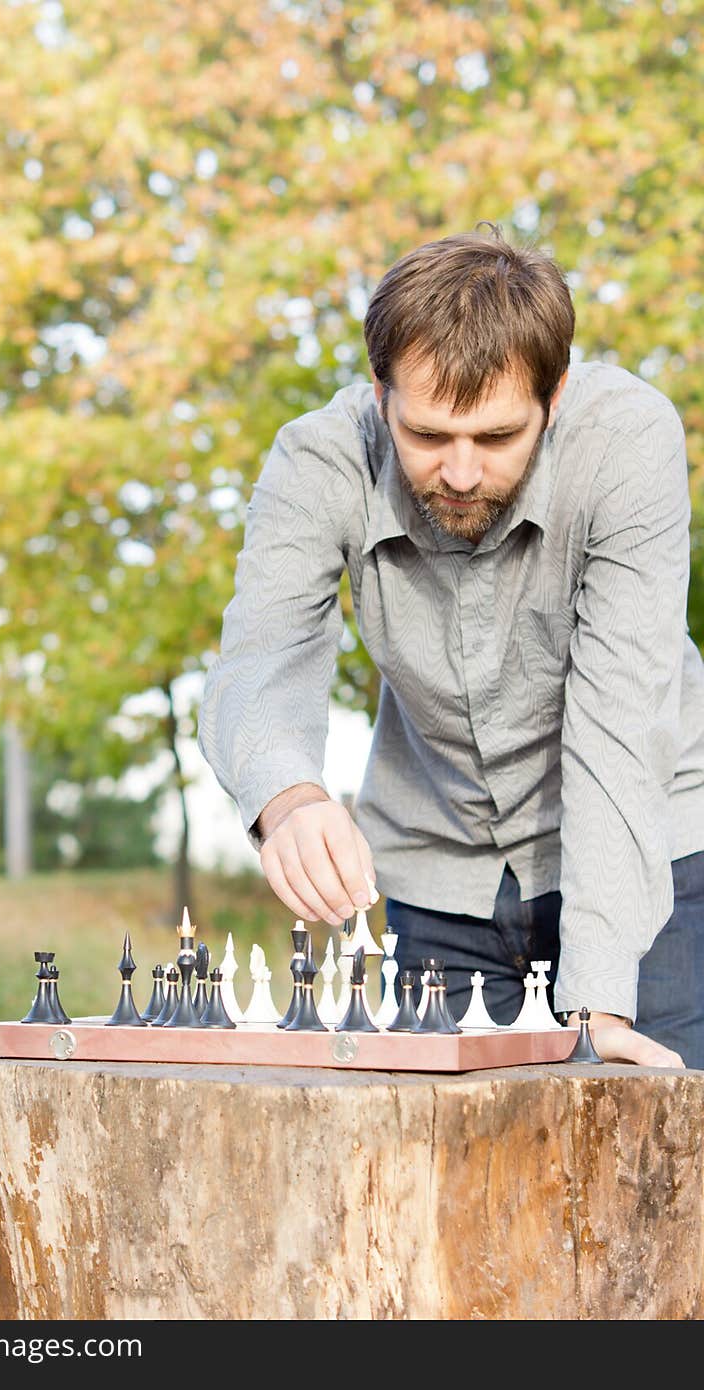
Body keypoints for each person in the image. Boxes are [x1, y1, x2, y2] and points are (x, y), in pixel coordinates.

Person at [198, 226, 704, 1068]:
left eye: (498, 439)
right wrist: (288, 801)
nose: (461, 474)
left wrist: (600, 1005)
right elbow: (261, 654)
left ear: (557, 392)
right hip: (441, 883)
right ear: (380, 394)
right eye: (428, 436)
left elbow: (621, 721)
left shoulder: (627, 442)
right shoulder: (318, 458)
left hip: (652, 866)